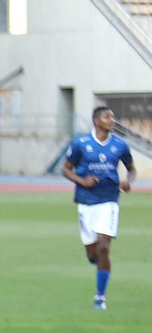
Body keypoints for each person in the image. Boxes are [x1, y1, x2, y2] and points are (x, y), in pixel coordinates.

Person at [61, 106, 135, 310]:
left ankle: (100, 297)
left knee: (104, 247)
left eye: (113, 116)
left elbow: (131, 169)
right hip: (86, 202)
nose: (112, 120)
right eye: (107, 116)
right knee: (93, 254)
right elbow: (66, 169)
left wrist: (128, 181)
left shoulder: (120, 145)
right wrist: (82, 181)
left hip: (109, 200)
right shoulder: (81, 144)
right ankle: (99, 264)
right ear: (96, 121)